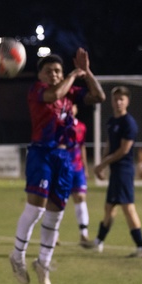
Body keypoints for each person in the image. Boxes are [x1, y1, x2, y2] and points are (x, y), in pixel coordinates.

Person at [9, 48, 105, 284]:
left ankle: (43, 263)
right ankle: (17, 256)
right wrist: (73, 74)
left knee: (56, 214)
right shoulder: (38, 91)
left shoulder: (70, 93)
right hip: (41, 153)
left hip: (64, 159)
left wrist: (88, 72)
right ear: (40, 75)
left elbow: (99, 96)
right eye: (49, 71)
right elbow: (54, 95)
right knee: (35, 210)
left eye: (57, 71)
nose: (54, 74)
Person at [91, 86, 142, 257]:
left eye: (121, 99)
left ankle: (141, 247)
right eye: (115, 99)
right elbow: (110, 143)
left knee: (128, 208)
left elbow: (124, 150)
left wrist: (103, 165)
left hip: (124, 170)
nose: (118, 102)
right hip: (115, 171)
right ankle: (99, 241)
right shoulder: (111, 121)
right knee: (109, 208)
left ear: (127, 102)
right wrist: (103, 163)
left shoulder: (128, 123)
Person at [60, 101, 93, 246]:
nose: (71, 109)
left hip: (78, 168)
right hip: (64, 169)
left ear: (76, 108)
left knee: (80, 197)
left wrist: (85, 168)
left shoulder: (82, 127)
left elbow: (82, 147)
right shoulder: (60, 126)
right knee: (60, 202)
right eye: (68, 107)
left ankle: (83, 234)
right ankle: (54, 234)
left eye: (73, 106)